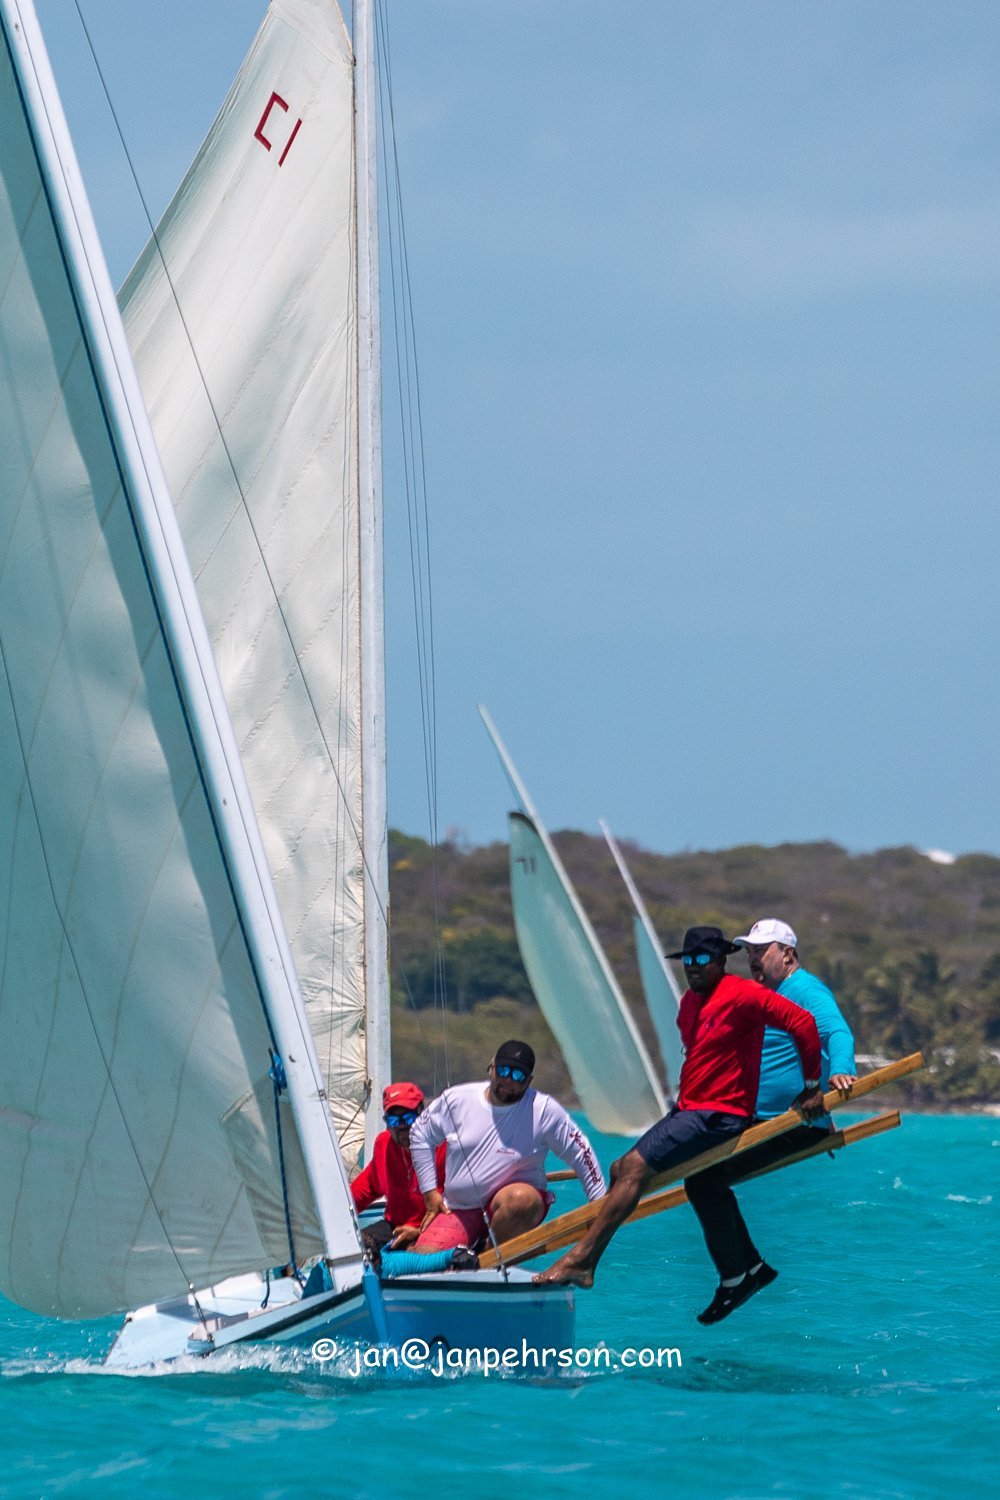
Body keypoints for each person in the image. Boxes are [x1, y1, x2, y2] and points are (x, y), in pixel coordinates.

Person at [534, 927, 823, 1323]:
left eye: (703, 960)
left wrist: (810, 1087)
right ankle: (747, 1269)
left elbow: (803, 1023)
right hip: (689, 1111)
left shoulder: (744, 994)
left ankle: (584, 1260)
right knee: (622, 1169)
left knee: (635, 1169)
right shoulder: (688, 1004)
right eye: (688, 961)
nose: (694, 967)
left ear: (721, 961)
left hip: (722, 1114)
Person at [683, 917, 856, 1306]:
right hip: (755, 1119)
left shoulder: (805, 989)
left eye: (762, 952)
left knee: (702, 1182)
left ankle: (742, 1274)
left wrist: (842, 1069)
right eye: (748, 953)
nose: (753, 960)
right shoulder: (761, 996)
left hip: (791, 1123)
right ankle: (746, 1271)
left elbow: (836, 1032)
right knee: (698, 1175)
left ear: (788, 954)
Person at [408, 1039, 606, 1252]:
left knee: (518, 1200)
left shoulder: (544, 1110)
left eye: (518, 1076)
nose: (508, 1081)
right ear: (492, 1068)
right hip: (459, 1208)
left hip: (516, 1209)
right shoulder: (457, 1099)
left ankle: (487, 1257)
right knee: (424, 1258)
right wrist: (430, 1193)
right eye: (504, 1071)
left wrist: (602, 1208)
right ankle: (454, 1251)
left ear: (528, 1081)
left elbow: (582, 1154)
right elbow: (420, 1133)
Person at [350, 1082, 446, 1254]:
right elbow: (360, 1192)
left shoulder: (442, 1144)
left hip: (439, 1226)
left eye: (408, 1118)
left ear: (421, 1114)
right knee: (357, 1247)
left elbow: (460, 1203)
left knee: (416, 1253)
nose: (401, 1126)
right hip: (395, 1228)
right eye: (394, 1121)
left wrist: (419, 1232)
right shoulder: (383, 1145)